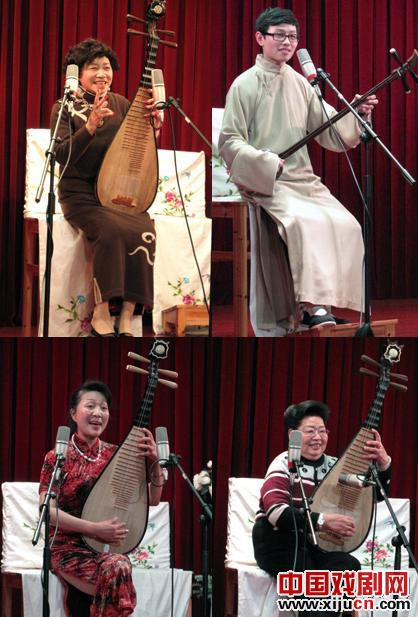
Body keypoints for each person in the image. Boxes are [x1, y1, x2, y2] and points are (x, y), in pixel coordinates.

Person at [218, 7, 378, 336]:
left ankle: (325, 303)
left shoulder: (301, 84)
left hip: (304, 180)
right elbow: (230, 140)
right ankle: (309, 306)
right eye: (279, 35)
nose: (287, 42)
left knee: (347, 224)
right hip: (269, 182)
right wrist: (265, 162)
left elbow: (330, 128)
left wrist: (356, 114)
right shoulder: (244, 85)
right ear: (260, 38)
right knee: (303, 223)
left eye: (292, 36)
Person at [51, 39, 163, 337]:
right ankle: (101, 311)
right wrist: (89, 127)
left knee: (145, 230)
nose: (102, 74)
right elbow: (60, 155)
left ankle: (127, 314)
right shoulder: (64, 107)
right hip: (81, 195)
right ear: (78, 73)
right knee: (111, 229)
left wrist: (154, 128)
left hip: (117, 193)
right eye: (93, 68)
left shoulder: (122, 104)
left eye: (107, 67)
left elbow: (136, 149)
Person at [252, 400, 392, 617]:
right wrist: (322, 521)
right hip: (278, 542)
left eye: (322, 431)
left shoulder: (335, 466)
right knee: (311, 576)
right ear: (292, 435)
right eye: (310, 431)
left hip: (316, 546)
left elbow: (375, 495)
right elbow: (276, 512)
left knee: (348, 566)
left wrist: (383, 464)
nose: (318, 437)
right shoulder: (284, 462)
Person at [39, 380, 164, 616]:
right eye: (90, 406)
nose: (98, 413)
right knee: (118, 567)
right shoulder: (58, 456)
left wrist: (155, 462)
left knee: (118, 564)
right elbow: (48, 511)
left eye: (104, 408)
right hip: (67, 548)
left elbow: (153, 499)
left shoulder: (114, 454)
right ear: (73, 413)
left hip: (105, 550)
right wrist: (94, 529)